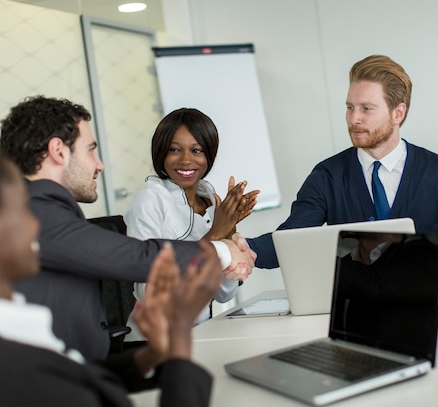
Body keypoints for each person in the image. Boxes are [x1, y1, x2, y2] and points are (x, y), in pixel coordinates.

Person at [0, 96, 256, 360]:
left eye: (197, 150)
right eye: (90, 150)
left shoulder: (34, 211)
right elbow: (139, 257)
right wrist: (220, 247)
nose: (99, 164)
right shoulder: (36, 215)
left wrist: (226, 236)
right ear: (59, 151)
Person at [246, 54, 438, 275]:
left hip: (425, 311)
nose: (354, 118)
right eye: (350, 107)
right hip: (354, 315)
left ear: (398, 113)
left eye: (366, 109)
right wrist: (241, 249)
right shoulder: (327, 176)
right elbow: (290, 242)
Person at [0, 155, 221, 407]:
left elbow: (77, 377)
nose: (35, 224)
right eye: (22, 211)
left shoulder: (22, 333)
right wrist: (179, 340)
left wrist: (149, 357)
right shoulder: (16, 370)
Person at [125, 108, 259, 335]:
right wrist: (216, 236)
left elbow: (224, 294)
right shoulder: (150, 199)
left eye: (197, 150)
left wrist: (230, 235)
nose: (186, 160)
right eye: (174, 150)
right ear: (161, 153)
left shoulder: (212, 202)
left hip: (200, 331)